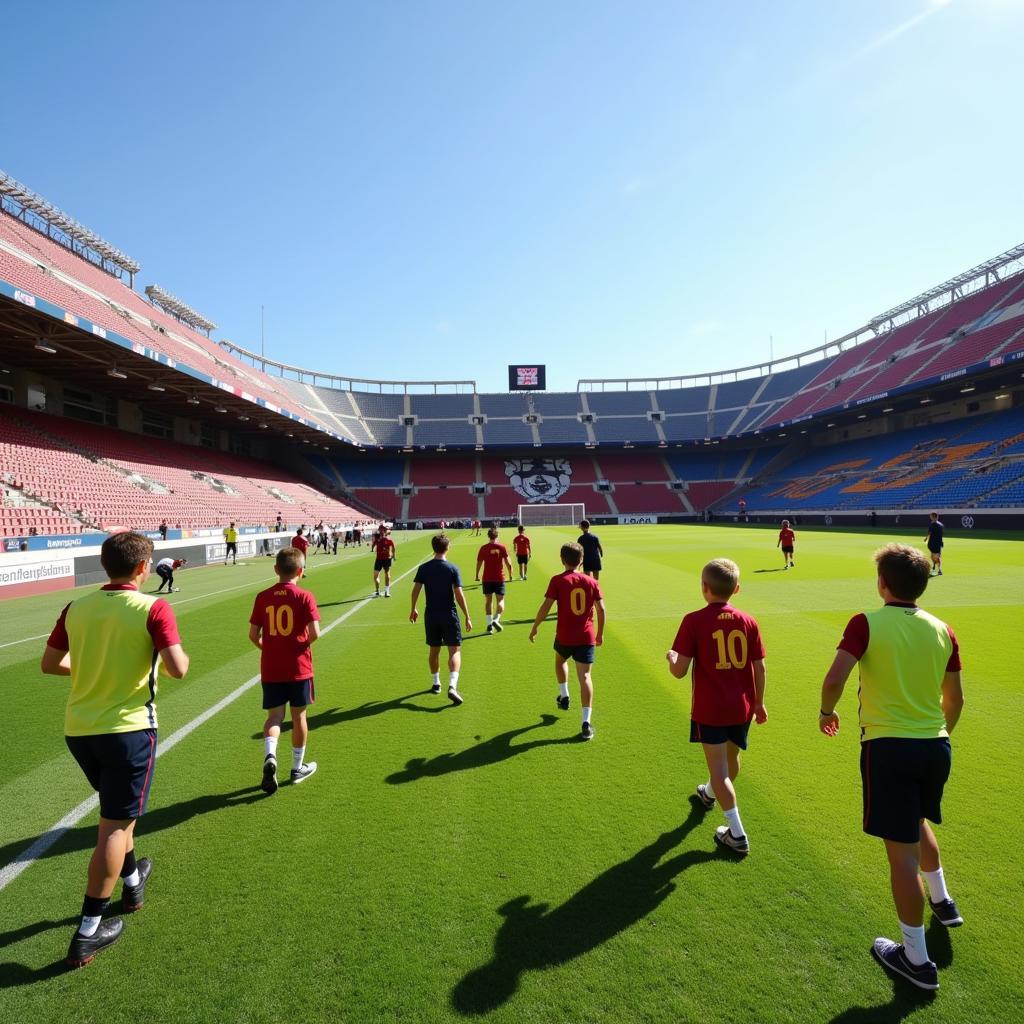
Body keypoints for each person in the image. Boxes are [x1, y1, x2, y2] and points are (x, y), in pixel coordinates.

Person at [818, 543, 964, 991]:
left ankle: (915, 960)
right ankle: (943, 901)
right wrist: (939, 734)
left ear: (882, 584)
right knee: (916, 822)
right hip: (935, 745)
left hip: (889, 748)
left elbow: (835, 678)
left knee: (900, 852)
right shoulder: (944, 629)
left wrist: (827, 712)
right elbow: (955, 700)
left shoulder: (866, 623)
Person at [40, 532, 189, 966]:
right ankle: (88, 930)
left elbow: (50, 664)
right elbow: (178, 669)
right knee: (113, 828)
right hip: (127, 731)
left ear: (105, 566)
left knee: (117, 814)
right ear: (144, 569)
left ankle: (131, 879)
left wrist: (94, 673)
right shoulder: (153, 607)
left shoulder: (76, 607)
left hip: (80, 730)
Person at [665, 558, 767, 855]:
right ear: (737, 589)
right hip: (742, 706)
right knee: (731, 759)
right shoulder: (749, 621)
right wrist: (759, 703)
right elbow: (760, 667)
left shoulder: (693, 620)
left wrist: (671, 657)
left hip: (711, 709)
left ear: (704, 588)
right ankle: (708, 793)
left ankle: (736, 834)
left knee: (720, 770)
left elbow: (679, 670)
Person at [248, 547, 322, 795]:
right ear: (301, 571)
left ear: (276, 569)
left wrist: (269, 648)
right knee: (299, 716)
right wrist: (296, 646)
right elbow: (315, 633)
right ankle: (296, 769)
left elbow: (252, 635)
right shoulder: (305, 596)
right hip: (299, 667)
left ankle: (270, 755)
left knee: (274, 717)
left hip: (271, 667)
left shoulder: (263, 596)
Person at [528, 542, 605, 740]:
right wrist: (600, 634)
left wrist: (535, 625)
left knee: (560, 661)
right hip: (586, 636)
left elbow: (546, 606)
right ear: (582, 561)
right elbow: (601, 609)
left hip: (564, 635)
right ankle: (586, 722)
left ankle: (564, 695)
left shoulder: (557, 580)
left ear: (562, 560)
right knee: (585, 677)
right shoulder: (591, 582)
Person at [409, 533, 473, 705]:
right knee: (454, 650)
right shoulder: (452, 568)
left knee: (434, 650)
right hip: (449, 614)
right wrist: (467, 616)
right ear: (448, 548)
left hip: (431, 614)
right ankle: (452, 685)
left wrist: (413, 608)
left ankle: (436, 683)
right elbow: (459, 594)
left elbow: (416, 590)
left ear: (433, 548)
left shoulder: (424, 568)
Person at [475, 527, 513, 634]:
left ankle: (489, 625)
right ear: (497, 536)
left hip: (487, 578)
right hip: (499, 578)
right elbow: (508, 562)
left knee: (488, 601)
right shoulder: (501, 547)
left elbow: (479, 562)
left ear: (488, 536)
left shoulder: (483, 548)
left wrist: (477, 574)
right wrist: (510, 574)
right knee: (500, 600)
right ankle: (496, 619)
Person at [372, 527, 397, 598]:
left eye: (382, 532)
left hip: (385, 559)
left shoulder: (387, 540)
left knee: (386, 575)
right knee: (377, 575)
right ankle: (380, 591)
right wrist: (394, 556)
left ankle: (384, 591)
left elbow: (393, 547)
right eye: (381, 531)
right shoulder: (383, 539)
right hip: (381, 559)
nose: (381, 533)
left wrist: (393, 555)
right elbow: (393, 548)